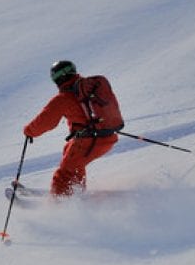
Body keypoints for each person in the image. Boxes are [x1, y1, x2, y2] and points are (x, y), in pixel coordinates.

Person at [23, 60, 123, 196]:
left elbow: (46, 121)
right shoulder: (89, 88)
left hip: (90, 140)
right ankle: (75, 191)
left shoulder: (63, 98)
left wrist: (29, 131)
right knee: (70, 153)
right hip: (108, 135)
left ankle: (59, 203)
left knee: (65, 173)